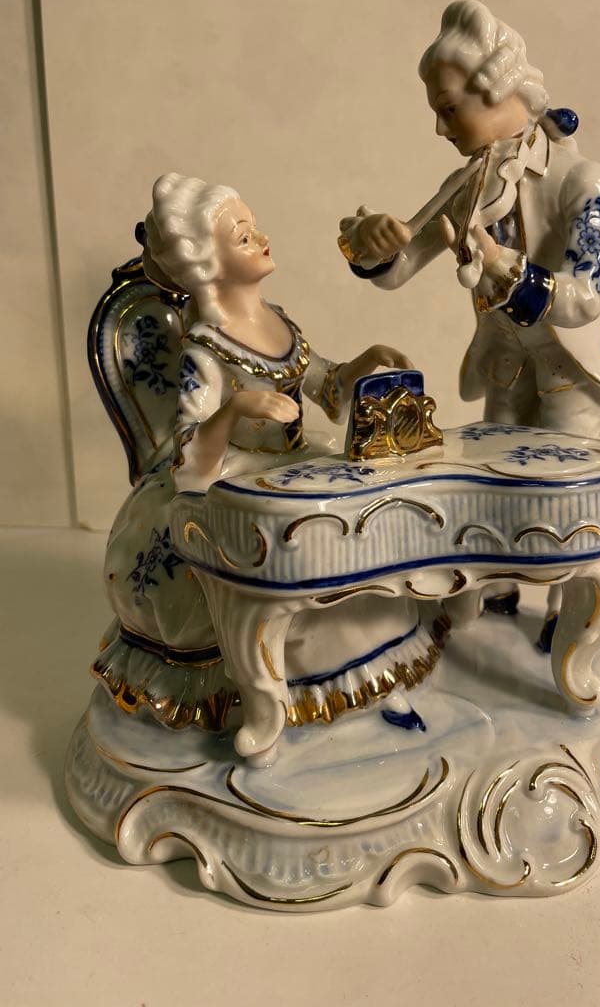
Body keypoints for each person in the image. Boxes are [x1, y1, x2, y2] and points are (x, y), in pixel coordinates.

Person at [97, 173, 436, 736]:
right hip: (236, 476)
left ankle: (368, 682)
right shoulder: (205, 347)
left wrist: (364, 361)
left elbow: (325, 387)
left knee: (359, 524)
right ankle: (277, 702)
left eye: (254, 227)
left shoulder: (276, 319)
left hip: (296, 462)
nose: (261, 238)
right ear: (208, 264)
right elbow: (188, 454)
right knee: (289, 556)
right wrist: (236, 410)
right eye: (242, 236)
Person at [338, 0, 600, 441]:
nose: (440, 129)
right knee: (494, 463)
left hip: (572, 365)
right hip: (506, 362)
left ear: (494, 93)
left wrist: (500, 264)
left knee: (566, 468)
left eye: (449, 109)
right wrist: (373, 246)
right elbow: (400, 268)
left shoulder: (582, 181)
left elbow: (586, 297)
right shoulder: (465, 186)